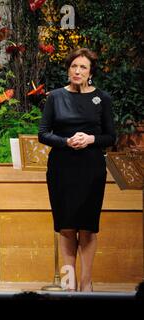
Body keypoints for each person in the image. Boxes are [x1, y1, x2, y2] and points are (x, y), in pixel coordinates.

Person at [38, 48, 116, 292]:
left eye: (83, 67)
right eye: (74, 66)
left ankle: (86, 282)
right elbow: (43, 134)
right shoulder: (55, 97)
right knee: (66, 226)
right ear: (68, 69)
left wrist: (90, 139)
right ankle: (69, 283)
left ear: (90, 71)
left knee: (87, 226)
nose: (77, 71)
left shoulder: (102, 99)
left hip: (91, 168)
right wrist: (65, 141)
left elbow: (111, 136)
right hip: (62, 168)